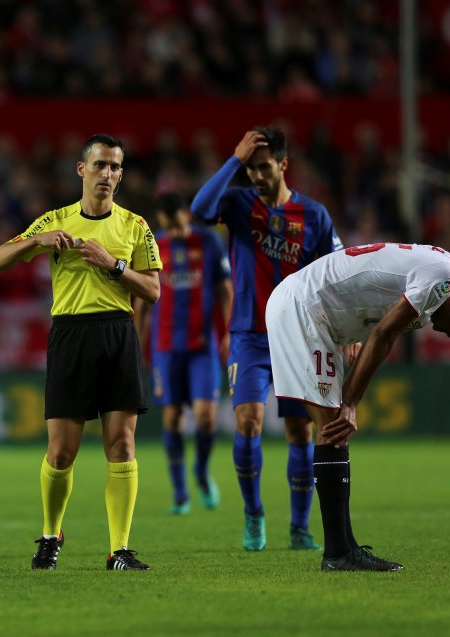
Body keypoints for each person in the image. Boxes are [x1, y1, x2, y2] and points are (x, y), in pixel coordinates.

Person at [0, 133, 162, 571]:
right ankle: (51, 535)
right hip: (70, 335)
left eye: (116, 167)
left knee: (122, 446)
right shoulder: (54, 220)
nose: (108, 174)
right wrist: (36, 242)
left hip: (118, 334)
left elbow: (154, 290)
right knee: (61, 453)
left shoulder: (136, 226)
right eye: (100, 165)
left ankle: (118, 550)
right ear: (81, 170)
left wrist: (114, 264)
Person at [265, 242, 450, 571]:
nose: (438, 330)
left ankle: (345, 547)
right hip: (305, 309)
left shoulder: (445, 266)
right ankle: (338, 553)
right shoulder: (439, 280)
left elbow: (374, 283)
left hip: (315, 311)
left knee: (334, 431)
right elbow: (385, 332)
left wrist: (354, 336)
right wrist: (352, 403)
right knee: (334, 426)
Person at [191, 127, 345, 552]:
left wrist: (341, 331)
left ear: (283, 164)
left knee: (300, 430)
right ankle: (254, 514)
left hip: (297, 336)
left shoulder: (314, 215)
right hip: (248, 335)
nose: (256, 175)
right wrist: (233, 162)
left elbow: (334, 276)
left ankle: (299, 527)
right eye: (251, 168)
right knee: (248, 422)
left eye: (263, 167)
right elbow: (200, 210)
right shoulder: (240, 203)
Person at [133, 193, 233, 515]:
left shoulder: (209, 243)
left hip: (202, 345)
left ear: (187, 216)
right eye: (168, 227)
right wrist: (136, 340)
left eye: (178, 225)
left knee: (206, 417)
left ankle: (201, 472)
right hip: (165, 347)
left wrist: (230, 330)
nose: (174, 233)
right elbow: (143, 302)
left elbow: (225, 290)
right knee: (173, 417)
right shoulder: (153, 246)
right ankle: (180, 494)